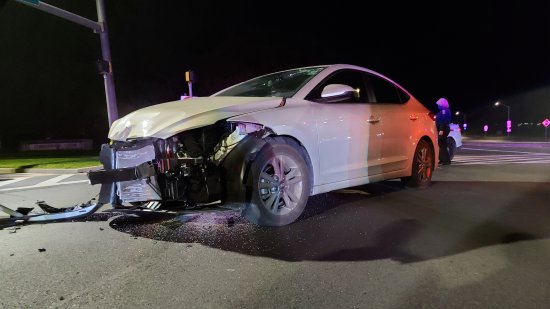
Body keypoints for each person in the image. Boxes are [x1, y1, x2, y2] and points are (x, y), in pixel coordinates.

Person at [435, 97, 452, 165]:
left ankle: (446, 161)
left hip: (443, 128)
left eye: (439, 104)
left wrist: (441, 129)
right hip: (443, 128)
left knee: (442, 144)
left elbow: (444, 120)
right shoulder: (442, 111)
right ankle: (443, 159)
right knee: (442, 144)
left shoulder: (444, 110)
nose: (438, 106)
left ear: (442, 104)